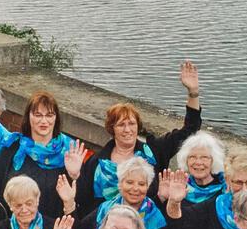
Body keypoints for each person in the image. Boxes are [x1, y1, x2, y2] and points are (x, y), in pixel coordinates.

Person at [75, 62, 202, 218]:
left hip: (150, 226)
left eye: (132, 124)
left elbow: (190, 129)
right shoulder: (96, 163)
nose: (128, 130)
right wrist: (74, 175)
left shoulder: (154, 151)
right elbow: (83, 201)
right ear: (111, 129)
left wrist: (193, 93)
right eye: (121, 125)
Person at [0, 90, 84, 220]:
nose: (44, 121)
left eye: (49, 115)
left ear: (56, 118)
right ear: (28, 117)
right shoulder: (12, 148)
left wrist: (74, 176)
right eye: (38, 115)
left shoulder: (69, 151)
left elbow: (81, 201)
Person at [78, 156, 168, 229]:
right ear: (120, 184)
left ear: (147, 187)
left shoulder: (156, 217)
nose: (135, 188)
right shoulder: (105, 208)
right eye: (129, 182)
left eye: (141, 184)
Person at [161, 132, 227, 229]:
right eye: (192, 157)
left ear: (214, 160)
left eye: (204, 157)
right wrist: (164, 199)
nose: (198, 162)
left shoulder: (224, 190)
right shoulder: (178, 186)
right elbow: (170, 227)